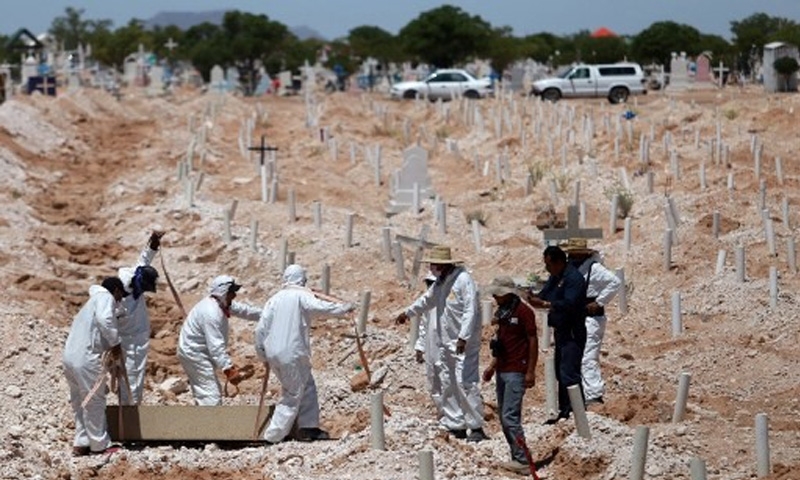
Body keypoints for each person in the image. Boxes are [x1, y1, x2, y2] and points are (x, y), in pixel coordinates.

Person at [395, 245, 487, 442]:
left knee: (465, 382)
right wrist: (407, 313)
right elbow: (426, 300)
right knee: (448, 382)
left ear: (443, 265)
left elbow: (470, 310)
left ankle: (476, 426)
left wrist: (464, 336)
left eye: (434, 264)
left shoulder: (463, 280)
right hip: (446, 342)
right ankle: (456, 423)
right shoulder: (440, 283)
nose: (432, 268)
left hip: (463, 342)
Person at [255, 264, 355, 443]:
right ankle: (273, 436)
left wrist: (262, 353)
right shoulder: (301, 295)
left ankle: (308, 427)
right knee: (293, 393)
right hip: (292, 353)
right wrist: (343, 309)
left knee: (307, 385)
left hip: (274, 354)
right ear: (302, 279)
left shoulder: (274, 299)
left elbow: (260, 329)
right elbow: (320, 307)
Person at [62, 277, 128, 456]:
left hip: (70, 358)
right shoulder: (105, 298)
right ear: (116, 291)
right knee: (95, 401)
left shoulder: (90, 304)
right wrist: (116, 344)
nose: (120, 300)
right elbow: (105, 319)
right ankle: (100, 445)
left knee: (79, 402)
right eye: (121, 296)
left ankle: (82, 442)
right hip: (86, 358)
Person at [482, 277, 539, 475]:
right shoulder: (503, 313)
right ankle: (517, 456)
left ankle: (523, 460)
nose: (495, 297)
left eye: (498, 293)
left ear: (508, 293)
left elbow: (532, 341)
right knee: (504, 417)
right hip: (503, 369)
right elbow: (503, 344)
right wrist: (491, 366)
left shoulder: (524, 312)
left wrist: (531, 371)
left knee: (510, 417)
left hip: (517, 370)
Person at [178, 275, 262, 406]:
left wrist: (268, 314)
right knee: (211, 397)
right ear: (223, 292)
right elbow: (216, 347)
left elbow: (245, 311)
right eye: (231, 292)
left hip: (198, 353)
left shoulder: (221, 303)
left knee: (205, 392)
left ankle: (201, 422)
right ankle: (209, 425)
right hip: (195, 354)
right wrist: (229, 369)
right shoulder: (211, 312)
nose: (234, 295)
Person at [528, 245, 587, 424]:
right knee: (560, 373)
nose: (547, 269)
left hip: (572, 331)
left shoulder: (573, 278)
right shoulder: (556, 277)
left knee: (569, 372)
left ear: (559, 262)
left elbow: (569, 303)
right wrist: (533, 298)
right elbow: (545, 294)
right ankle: (565, 411)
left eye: (549, 264)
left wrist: (546, 304)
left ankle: (577, 412)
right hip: (561, 331)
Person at [562, 238, 621, 406]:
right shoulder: (572, 268)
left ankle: (594, 394)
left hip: (591, 319)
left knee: (588, 356)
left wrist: (600, 301)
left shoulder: (594, 268)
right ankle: (579, 395)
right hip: (576, 317)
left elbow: (615, 282)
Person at [116, 231, 162, 405]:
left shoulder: (135, 276)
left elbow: (143, 261)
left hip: (136, 338)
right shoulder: (119, 300)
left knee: (130, 378)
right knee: (132, 379)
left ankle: (126, 412)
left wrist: (153, 244)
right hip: (130, 343)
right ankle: (129, 415)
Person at [414, 273, 442, 415]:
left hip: (448, 349)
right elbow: (424, 325)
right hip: (432, 348)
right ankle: (443, 414)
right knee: (433, 382)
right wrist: (420, 347)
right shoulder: (427, 303)